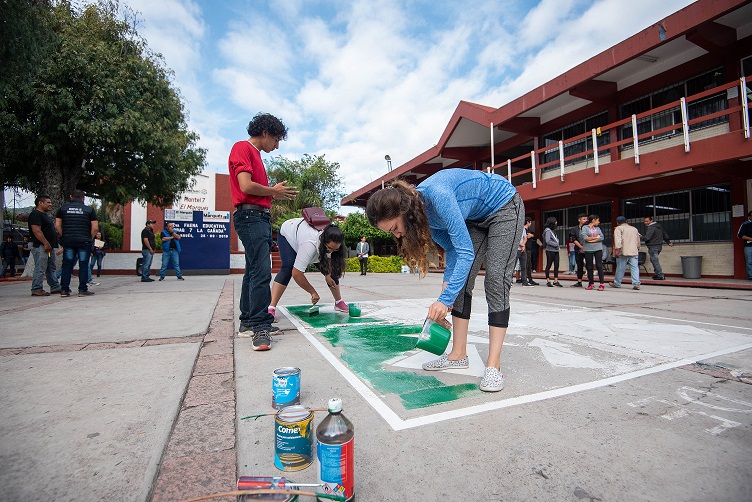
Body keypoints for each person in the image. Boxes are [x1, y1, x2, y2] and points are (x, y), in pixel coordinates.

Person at [366, 168, 524, 393]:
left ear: (405, 212)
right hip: (476, 218)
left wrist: (445, 298)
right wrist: (446, 296)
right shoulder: (423, 218)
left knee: (495, 281)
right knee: (459, 285)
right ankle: (458, 354)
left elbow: (466, 253)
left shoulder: (439, 197)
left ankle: (493, 365)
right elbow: (452, 249)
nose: (397, 236)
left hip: (504, 206)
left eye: (395, 228)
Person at [229, 112, 298, 350]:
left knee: (253, 269)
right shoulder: (242, 148)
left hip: (256, 216)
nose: (277, 146)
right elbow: (245, 186)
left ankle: (249, 321)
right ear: (265, 132)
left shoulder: (255, 154)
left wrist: (271, 193)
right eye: (276, 139)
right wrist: (273, 191)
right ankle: (259, 325)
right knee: (260, 270)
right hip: (250, 216)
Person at [268, 220, 348, 322]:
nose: (331, 252)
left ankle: (338, 302)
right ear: (323, 241)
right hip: (288, 234)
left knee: (332, 274)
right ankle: (271, 308)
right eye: (329, 248)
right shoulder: (309, 244)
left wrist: (328, 274)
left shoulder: (330, 236)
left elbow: (328, 258)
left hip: (309, 240)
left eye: (335, 249)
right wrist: (313, 292)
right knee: (287, 268)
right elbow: (297, 274)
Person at [55, 189, 98, 297]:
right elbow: (95, 227)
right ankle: (82, 289)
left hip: (68, 240)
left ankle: (64, 289)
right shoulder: (89, 210)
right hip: (84, 241)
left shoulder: (63, 209)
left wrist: (64, 235)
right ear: (83, 198)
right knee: (83, 265)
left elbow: (57, 225)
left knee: (67, 265)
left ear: (71, 197)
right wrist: (89, 238)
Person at [29, 194, 61, 296]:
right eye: (48, 202)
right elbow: (36, 231)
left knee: (51, 267)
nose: (50, 204)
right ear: (40, 203)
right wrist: (45, 243)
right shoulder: (35, 214)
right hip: (41, 246)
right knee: (40, 267)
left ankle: (55, 287)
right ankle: (36, 288)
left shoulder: (45, 215)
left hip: (49, 247)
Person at [609, 216, 641, 290]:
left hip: (623, 251)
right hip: (634, 251)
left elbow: (618, 240)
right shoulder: (634, 229)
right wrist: (638, 248)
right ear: (626, 221)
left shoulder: (618, 228)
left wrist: (617, 251)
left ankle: (617, 283)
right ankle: (636, 283)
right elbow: (638, 240)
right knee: (634, 268)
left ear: (617, 223)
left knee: (620, 268)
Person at [643, 215, 672, 280]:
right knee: (653, 260)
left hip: (653, 246)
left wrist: (640, 237)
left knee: (654, 260)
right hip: (659, 246)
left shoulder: (651, 228)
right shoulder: (659, 226)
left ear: (651, 220)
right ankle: (656, 274)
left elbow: (647, 238)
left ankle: (660, 275)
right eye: (644, 221)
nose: (645, 223)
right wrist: (668, 242)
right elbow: (665, 234)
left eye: (647, 221)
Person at [581, 214, 605, 291]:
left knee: (599, 265)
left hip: (598, 248)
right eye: (597, 220)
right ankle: (591, 283)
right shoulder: (585, 228)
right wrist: (596, 238)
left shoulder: (598, 228)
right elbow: (585, 238)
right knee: (589, 267)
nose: (599, 222)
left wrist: (591, 240)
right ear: (593, 220)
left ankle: (602, 284)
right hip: (588, 249)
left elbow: (602, 237)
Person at [570, 213, 589, 287]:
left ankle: (591, 281)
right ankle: (579, 281)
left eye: (586, 219)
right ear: (579, 220)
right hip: (578, 249)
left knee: (589, 265)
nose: (585, 220)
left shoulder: (588, 227)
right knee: (579, 265)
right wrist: (581, 247)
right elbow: (573, 239)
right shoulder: (575, 229)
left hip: (588, 249)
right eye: (584, 219)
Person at [542, 217, 562, 287]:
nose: (556, 223)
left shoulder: (553, 231)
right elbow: (547, 241)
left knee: (556, 265)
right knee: (549, 265)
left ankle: (556, 280)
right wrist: (556, 244)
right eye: (555, 222)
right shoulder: (547, 230)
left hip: (556, 250)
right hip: (550, 250)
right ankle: (548, 280)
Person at [517, 217, 533, 286]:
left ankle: (524, 281)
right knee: (512, 265)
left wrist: (523, 245)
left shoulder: (523, 229)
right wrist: (522, 245)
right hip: (516, 249)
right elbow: (515, 239)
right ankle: (509, 280)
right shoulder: (515, 228)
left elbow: (525, 237)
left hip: (522, 249)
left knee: (524, 266)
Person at [738, 210, 752, 280]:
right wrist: (750, 239)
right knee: (749, 261)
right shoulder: (745, 224)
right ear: (749, 217)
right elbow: (740, 235)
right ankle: (751, 276)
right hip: (749, 246)